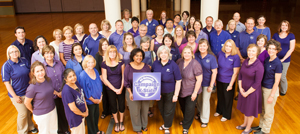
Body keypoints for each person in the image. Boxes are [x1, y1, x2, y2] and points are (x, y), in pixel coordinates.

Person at [1, 45, 37, 134]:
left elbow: (29, 73)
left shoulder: (24, 60)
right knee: (23, 113)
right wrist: (15, 96)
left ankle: (30, 126)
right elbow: (7, 83)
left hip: (27, 91)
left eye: (16, 51)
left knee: (28, 111)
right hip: (17, 94)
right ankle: (22, 131)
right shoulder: (6, 66)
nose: (14, 53)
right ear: (8, 54)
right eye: (12, 52)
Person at [253, 40, 282, 134]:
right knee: (263, 109)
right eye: (269, 48)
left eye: (273, 49)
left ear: (277, 50)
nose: (271, 50)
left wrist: (272, 95)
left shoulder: (278, 64)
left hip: (270, 90)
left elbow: (277, 81)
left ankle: (265, 131)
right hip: (263, 87)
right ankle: (261, 126)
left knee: (268, 112)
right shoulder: (267, 60)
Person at [152, 45, 182, 134]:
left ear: (169, 54)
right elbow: (153, 79)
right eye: (161, 53)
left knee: (169, 110)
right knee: (161, 109)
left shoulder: (173, 65)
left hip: (170, 92)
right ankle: (166, 123)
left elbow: (179, 80)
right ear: (158, 54)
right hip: (159, 92)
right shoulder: (155, 64)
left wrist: (176, 95)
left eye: (165, 53)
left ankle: (167, 126)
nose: (163, 54)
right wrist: (155, 93)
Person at [236, 44, 264, 134]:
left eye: (253, 51)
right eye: (249, 50)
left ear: (257, 53)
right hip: (243, 89)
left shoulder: (259, 66)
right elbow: (240, 75)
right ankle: (244, 124)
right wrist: (240, 88)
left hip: (252, 91)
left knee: (250, 110)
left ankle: (248, 128)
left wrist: (247, 93)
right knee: (245, 108)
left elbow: (257, 83)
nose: (250, 52)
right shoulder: (245, 61)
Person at [24, 61, 57, 134]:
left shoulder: (49, 80)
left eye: (41, 70)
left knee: (54, 131)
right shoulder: (32, 87)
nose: (40, 73)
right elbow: (27, 102)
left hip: (52, 110)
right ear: (33, 73)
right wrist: (33, 111)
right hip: (41, 114)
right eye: (37, 71)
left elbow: (50, 92)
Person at [42, 45, 69, 134]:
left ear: (53, 54)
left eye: (51, 53)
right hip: (51, 95)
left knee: (63, 112)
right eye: (47, 53)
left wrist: (61, 91)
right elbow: (44, 83)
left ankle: (65, 129)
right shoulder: (42, 67)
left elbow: (64, 76)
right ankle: (58, 130)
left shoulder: (59, 63)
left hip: (62, 92)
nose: (49, 55)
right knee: (55, 114)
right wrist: (56, 93)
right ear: (43, 55)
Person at [124, 48, 151, 134]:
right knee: (134, 111)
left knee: (144, 109)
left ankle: (144, 125)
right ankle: (137, 128)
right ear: (133, 56)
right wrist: (130, 93)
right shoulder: (128, 67)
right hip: (132, 92)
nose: (139, 57)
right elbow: (125, 81)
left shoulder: (147, 67)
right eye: (137, 56)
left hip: (145, 92)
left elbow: (150, 80)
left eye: (140, 56)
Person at [176, 46, 202, 134]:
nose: (186, 54)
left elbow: (199, 80)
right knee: (183, 107)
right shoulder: (179, 61)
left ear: (192, 54)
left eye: (188, 53)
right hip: (181, 90)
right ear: (182, 54)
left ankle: (186, 126)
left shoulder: (195, 64)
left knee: (190, 108)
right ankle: (186, 119)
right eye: (185, 52)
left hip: (192, 90)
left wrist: (195, 92)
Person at [215, 39, 240, 122]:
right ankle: (219, 110)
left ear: (233, 47)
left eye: (230, 46)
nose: (228, 47)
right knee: (220, 96)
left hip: (229, 81)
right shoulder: (220, 54)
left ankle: (226, 114)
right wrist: (215, 79)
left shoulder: (235, 57)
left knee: (227, 98)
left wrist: (231, 85)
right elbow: (217, 67)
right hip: (219, 79)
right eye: (227, 45)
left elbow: (235, 73)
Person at [194, 39, 218, 128]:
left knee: (205, 101)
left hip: (207, 83)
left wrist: (211, 85)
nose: (202, 47)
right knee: (199, 100)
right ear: (198, 47)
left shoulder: (211, 57)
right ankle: (200, 113)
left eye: (204, 46)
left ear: (207, 47)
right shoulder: (196, 56)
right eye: (200, 46)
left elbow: (214, 72)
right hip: (197, 83)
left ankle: (204, 119)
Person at [101, 45, 125, 132]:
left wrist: (121, 88)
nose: (112, 53)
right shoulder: (104, 64)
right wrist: (114, 89)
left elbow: (123, 76)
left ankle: (121, 121)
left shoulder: (121, 62)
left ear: (116, 53)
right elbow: (104, 79)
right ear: (108, 53)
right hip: (110, 89)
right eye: (110, 52)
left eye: (114, 52)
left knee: (122, 105)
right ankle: (117, 122)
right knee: (113, 106)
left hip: (121, 88)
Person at [79, 55, 105, 134]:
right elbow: (83, 91)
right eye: (88, 62)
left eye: (92, 62)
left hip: (97, 99)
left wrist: (101, 96)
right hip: (90, 102)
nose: (91, 64)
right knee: (90, 120)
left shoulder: (95, 71)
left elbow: (99, 84)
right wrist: (93, 100)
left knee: (96, 116)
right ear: (85, 63)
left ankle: (96, 131)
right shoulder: (82, 75)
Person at [272, 20, 295, 96]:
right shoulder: (275, 35)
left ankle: (283, 90)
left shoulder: (291, 36)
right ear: (280, 26)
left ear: (288, 27)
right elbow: (271, 45)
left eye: (286, 25)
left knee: (282, 76)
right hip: (275, 58)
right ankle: (275, 89)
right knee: (274, 74)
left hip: (285, 60)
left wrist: (283, 59)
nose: (284, 27)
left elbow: (291, 48)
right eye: (283, 25)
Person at [61, 69, 88, 134]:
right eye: (70, 76)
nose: (73, 77)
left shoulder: (76, 82)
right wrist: (83, 114)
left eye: (73, 75)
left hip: (81, 114)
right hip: (75, 118)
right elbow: (73, 108)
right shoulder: (67, 91)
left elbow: (82, 95)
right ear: (65, 79)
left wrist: (86, 109)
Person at [94, 38, 111, 119]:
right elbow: (97, 68)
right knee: (104, 96)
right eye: (103, 45)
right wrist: (102, 78)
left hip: (111, 78)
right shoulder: (98, 55)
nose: (104, 46)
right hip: (102, 79)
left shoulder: (111, 53)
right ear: (100, 46)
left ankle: (112, 111)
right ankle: (105, 111)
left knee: (111, 95)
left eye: (106, 44)